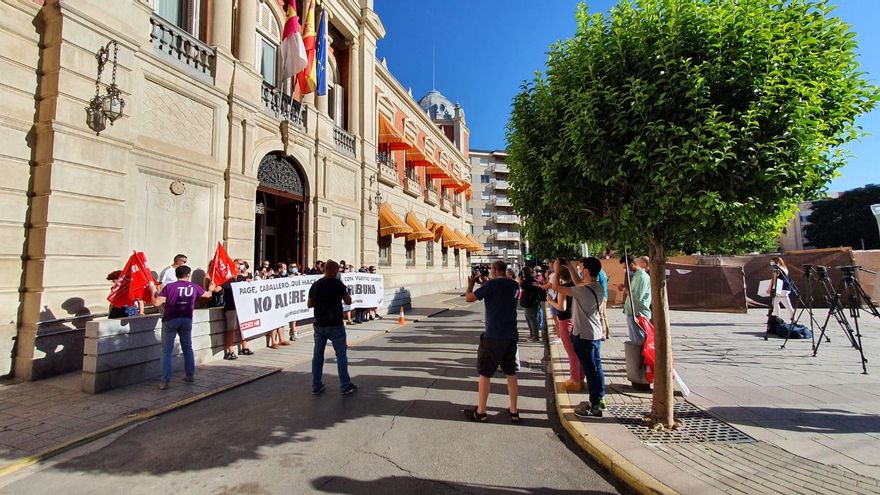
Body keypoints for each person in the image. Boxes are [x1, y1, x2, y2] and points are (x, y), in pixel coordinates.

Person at [463, 260, 521, 423]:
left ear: (494, 270)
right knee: (510, 372)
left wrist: (470, 285)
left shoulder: (491, 285)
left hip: (494, 335)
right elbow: (500, 291)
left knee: (485, 373)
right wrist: (485, 282)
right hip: (511, 334)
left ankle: (481, 411)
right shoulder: (515, 285)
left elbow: (469, 298)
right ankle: (514, 411)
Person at [552, 257, 606, 417]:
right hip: (595, 333)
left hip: (583, 335)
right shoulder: (597, 287)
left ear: (587, 271)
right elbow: (578, 283)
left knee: (590, 370)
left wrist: (556, 269)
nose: (580, 271)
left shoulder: (582, 291)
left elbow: (556, 287)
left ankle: (594, 405)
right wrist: (569, 266)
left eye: (581, 269)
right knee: (597, 368)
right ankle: (600, 398)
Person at [154, 265, 213, 389]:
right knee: (187, 348)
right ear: (188, 275)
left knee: (166, 351)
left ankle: (165, 381)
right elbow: (207, 295)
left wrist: (151, 291)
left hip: (170, 319)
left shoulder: (169, 287)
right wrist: (211, 289)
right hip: (186, 319)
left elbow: (156, 302)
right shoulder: (194, 286)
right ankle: (190, 375)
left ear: (176, 275)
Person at [308, 260, 358, 395]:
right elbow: (348, 301)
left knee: (318, 356)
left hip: (319, 323)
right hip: (335, 323)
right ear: (335, 271)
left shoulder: (316, 284)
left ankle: (316, 385)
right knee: (341, 354)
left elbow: (309, 304)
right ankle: (345, 385)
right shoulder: (338, 284)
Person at [547, 266, 582, 392]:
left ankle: (574, 380)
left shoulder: (563, 289)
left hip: (565, 321)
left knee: (571, 352)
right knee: (577, 351)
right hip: (575, 319)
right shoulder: (577, 287)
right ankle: (580, 377)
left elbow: (562, 307)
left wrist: (550, 301)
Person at [222, 260, 253, 360]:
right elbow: (219, 288)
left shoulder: (242, 278)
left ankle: (244, 347)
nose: (239, 268)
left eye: (240, 266)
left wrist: (249, 283)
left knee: (243, 327)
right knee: (231, 329)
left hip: (242, 307)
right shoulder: (228, 279)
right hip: (231, 307)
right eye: (237, 267)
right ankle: (230, 351)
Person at [621, 255, 651, 345]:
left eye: (625, 267)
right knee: (634, 341)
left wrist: (626, 290)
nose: (624, 269)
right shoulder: (636, 275)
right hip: (632, 312)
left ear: (631, 265)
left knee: (639, 342)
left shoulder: (642, 277)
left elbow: (637, 297)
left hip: (638, 313)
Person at [518, 267, 542, 342]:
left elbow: (523, 288)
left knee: (531, 319)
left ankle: (535, 336)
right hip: (530, 302)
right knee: (530, 319)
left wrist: (520, 280)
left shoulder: (529, 280)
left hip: (529, 302)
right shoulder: (531, 279)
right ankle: (533, 335)